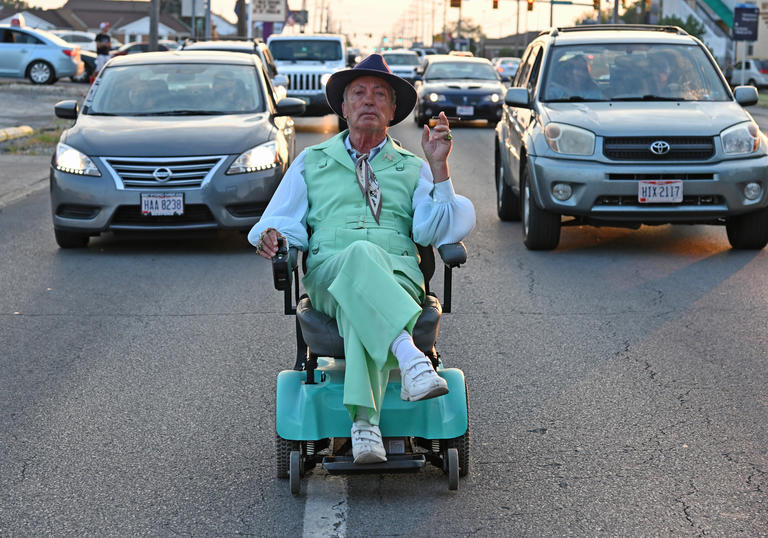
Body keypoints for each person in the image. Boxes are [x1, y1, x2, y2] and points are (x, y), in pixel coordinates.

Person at [248, 54, 475, 464]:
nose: (369, 101)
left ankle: (364, 423)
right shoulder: (311, 162)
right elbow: (280, 220)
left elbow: (434, 231)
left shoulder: (413, 166)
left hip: (398, 275)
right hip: (329, 277)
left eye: (379, 95)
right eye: (359, 93)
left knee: (364, 271)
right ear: (345, 107)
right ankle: (409, 356)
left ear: (392, 111)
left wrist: (440, 167)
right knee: (357, 255)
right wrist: (273, 236)